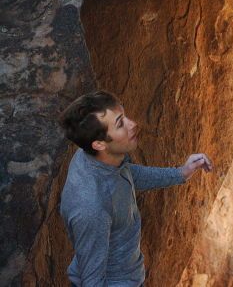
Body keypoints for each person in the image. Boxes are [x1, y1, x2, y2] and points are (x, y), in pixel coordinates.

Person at [58, 91, 213, 286]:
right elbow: (92, 282)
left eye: (124, 116)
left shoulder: (92, 156)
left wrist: (181, 173)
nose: (132, 124)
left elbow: (127, 174)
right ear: (99, 144)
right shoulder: (92, 207)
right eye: (120, 123)